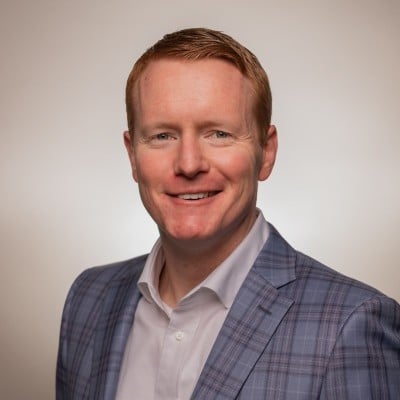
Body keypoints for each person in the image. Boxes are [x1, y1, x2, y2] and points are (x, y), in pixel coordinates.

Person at [56, 28, 400, 400]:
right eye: (163, 136)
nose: (189, 164)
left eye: (218, 134)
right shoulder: (89, 299)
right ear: (132, 156)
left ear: (266, 152)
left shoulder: (351, 324)